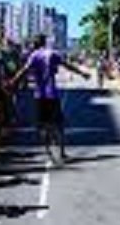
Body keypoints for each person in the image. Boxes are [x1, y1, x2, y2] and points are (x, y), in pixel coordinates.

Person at [10, 34, 90, 166]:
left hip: (40, 95)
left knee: (42, 125)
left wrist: (13, 81)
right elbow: (67, 65)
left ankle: (49, 151)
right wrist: (82, 74)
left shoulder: (34, 55)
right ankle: (62, 152)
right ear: (44, 42)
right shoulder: (52, 54)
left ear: (35, 43)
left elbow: (24, 70)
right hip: (52, 94)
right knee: (59, 124)